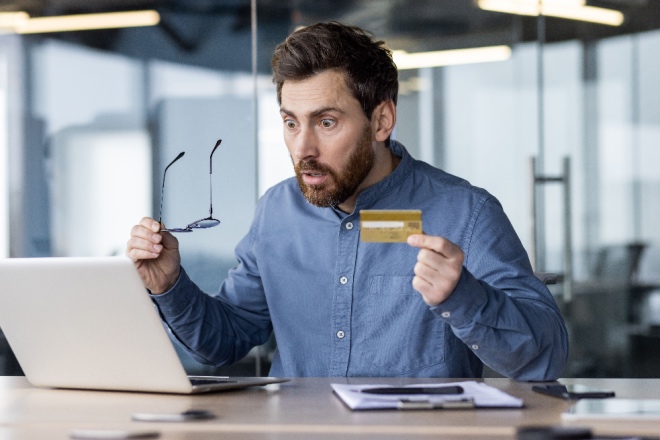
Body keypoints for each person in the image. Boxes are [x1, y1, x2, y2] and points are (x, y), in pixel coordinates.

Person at [127, 21, 568, 380]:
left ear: (381, 120)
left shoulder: (465, 213)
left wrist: (464, 297)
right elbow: (225, 342)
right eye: (291, 123)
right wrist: (169, 285)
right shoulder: (276, 212)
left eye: (327, 121)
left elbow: (545, 357)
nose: (303, 148)